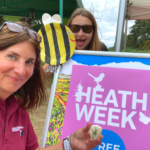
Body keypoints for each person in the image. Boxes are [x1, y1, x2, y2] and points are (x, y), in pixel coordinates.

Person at [0, 21, 103, 150]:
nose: (21, 70)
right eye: (11, 56)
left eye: (29, 62)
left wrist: (70, 143)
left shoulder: (18, 109)